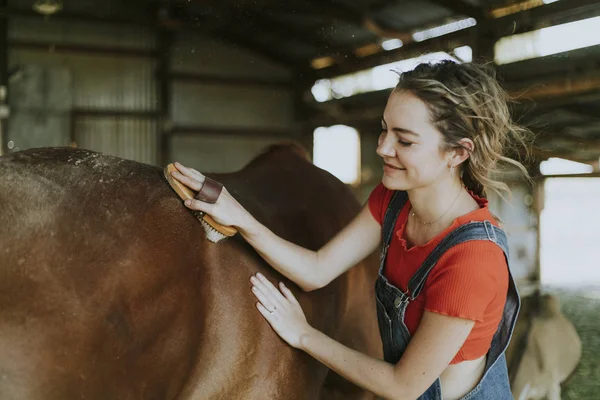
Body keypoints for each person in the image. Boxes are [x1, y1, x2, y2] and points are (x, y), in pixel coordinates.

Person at [169, 60, 532, 400]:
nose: (383, 148)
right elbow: (316, 270)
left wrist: (304, 334)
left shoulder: (472, 259)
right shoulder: (394, 202)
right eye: (384, 130)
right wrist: (241, 218)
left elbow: (403, 385)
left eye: (404, 140)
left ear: (457, 153)